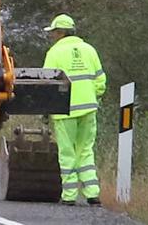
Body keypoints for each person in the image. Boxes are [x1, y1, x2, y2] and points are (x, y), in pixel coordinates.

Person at [43, 14, 106, 206]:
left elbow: (47, 83)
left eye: (53, 32)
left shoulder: (54, 52)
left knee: (67, 151)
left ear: (61, 32)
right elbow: (101, 82)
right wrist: (91, 96)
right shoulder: (89, 50)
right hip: (88, 108)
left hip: (64, 109)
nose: (52, 36)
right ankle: (92, 193)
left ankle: (69, 196)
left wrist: (46, 108)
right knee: (86, 150)